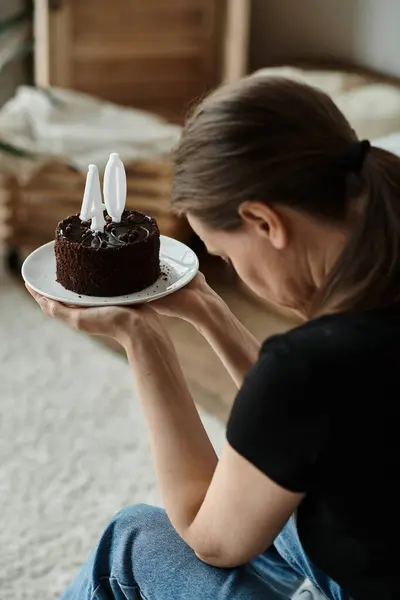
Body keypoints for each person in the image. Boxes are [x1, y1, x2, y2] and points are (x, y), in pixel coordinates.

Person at [27, 76, 400, 600]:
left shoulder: (310, 367)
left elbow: (210, 537)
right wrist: (209, 310)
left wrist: (142, 340)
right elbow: (303, 428)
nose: (227, 267)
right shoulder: (344, 346)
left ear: (264, 222)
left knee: (132, 541)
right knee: (282, 504)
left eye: (222, 254)